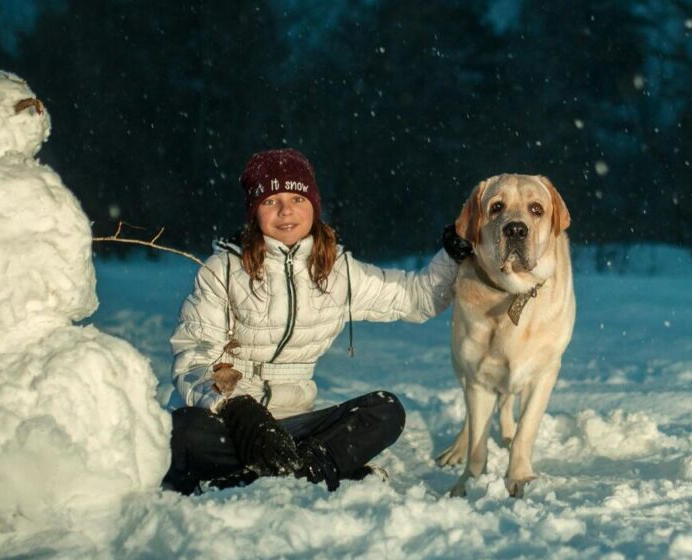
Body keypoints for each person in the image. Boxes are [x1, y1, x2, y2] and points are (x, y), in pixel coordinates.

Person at [163, 148, 473, 494]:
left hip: (298, 424)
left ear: (313, 204)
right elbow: (192, 357)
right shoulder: (222, 270)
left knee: (384, 411)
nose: (286, 211)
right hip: (232, 422)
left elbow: (416, 299)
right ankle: (316, 471)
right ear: (254, 211)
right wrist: (235, 409)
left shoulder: (337, 271)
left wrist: (452, 253)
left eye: (297, 197)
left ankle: (282, 471)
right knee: (181, 431)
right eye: (271, 201)